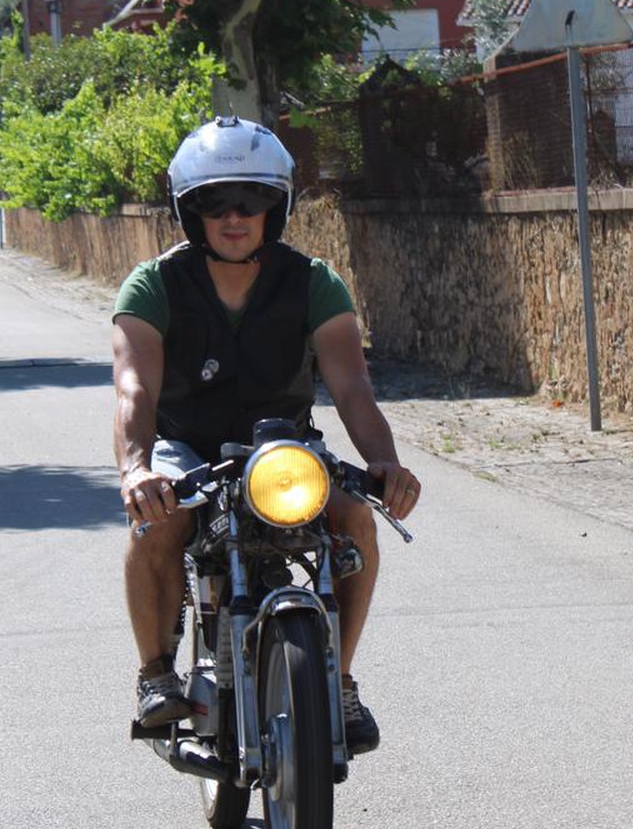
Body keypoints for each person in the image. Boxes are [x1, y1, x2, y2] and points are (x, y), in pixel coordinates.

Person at [112, 116, 422, 754]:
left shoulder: (313, 281)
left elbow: (352, 386)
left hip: (284, 449)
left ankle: (336, 680)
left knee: (355, 521)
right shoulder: (152, 286)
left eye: (251, 201)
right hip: (186, 449)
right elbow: (134, 389)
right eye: (215, 201)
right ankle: (154, 673)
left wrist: (385, 463)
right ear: (189, 210)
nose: (234, 215)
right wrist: (138, 470)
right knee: (155, 523)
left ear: (275, 209)